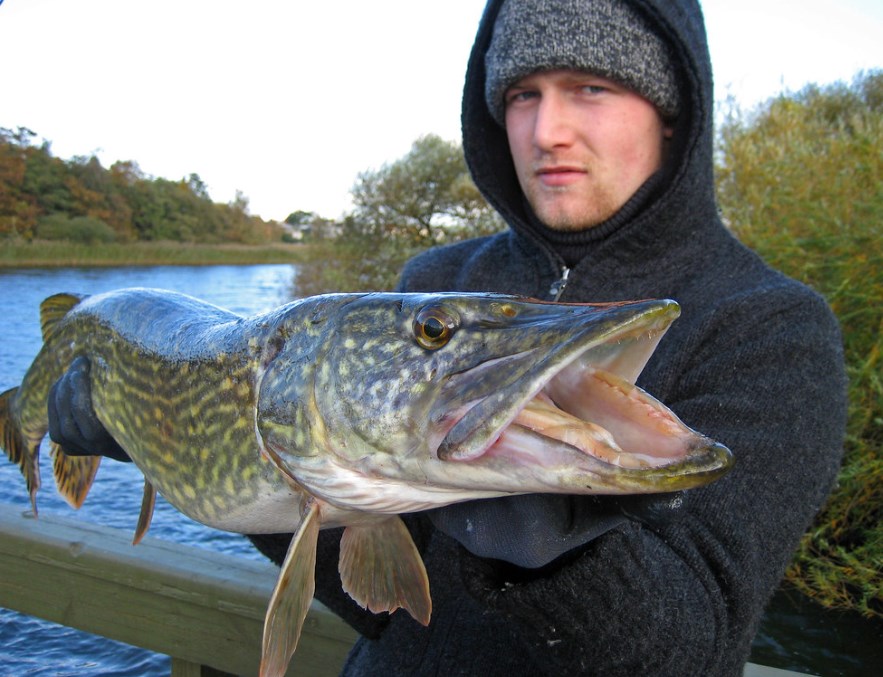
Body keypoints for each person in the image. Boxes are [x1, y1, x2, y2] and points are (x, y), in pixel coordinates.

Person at [49, 0, 848, 674]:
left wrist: (549, 545)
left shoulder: (770, 326)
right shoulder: (436, 273)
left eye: (591, 88)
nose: (548, 130)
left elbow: (694, 645)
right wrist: (181, 438)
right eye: (524, 94)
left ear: (671, 113)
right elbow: (389, 616)